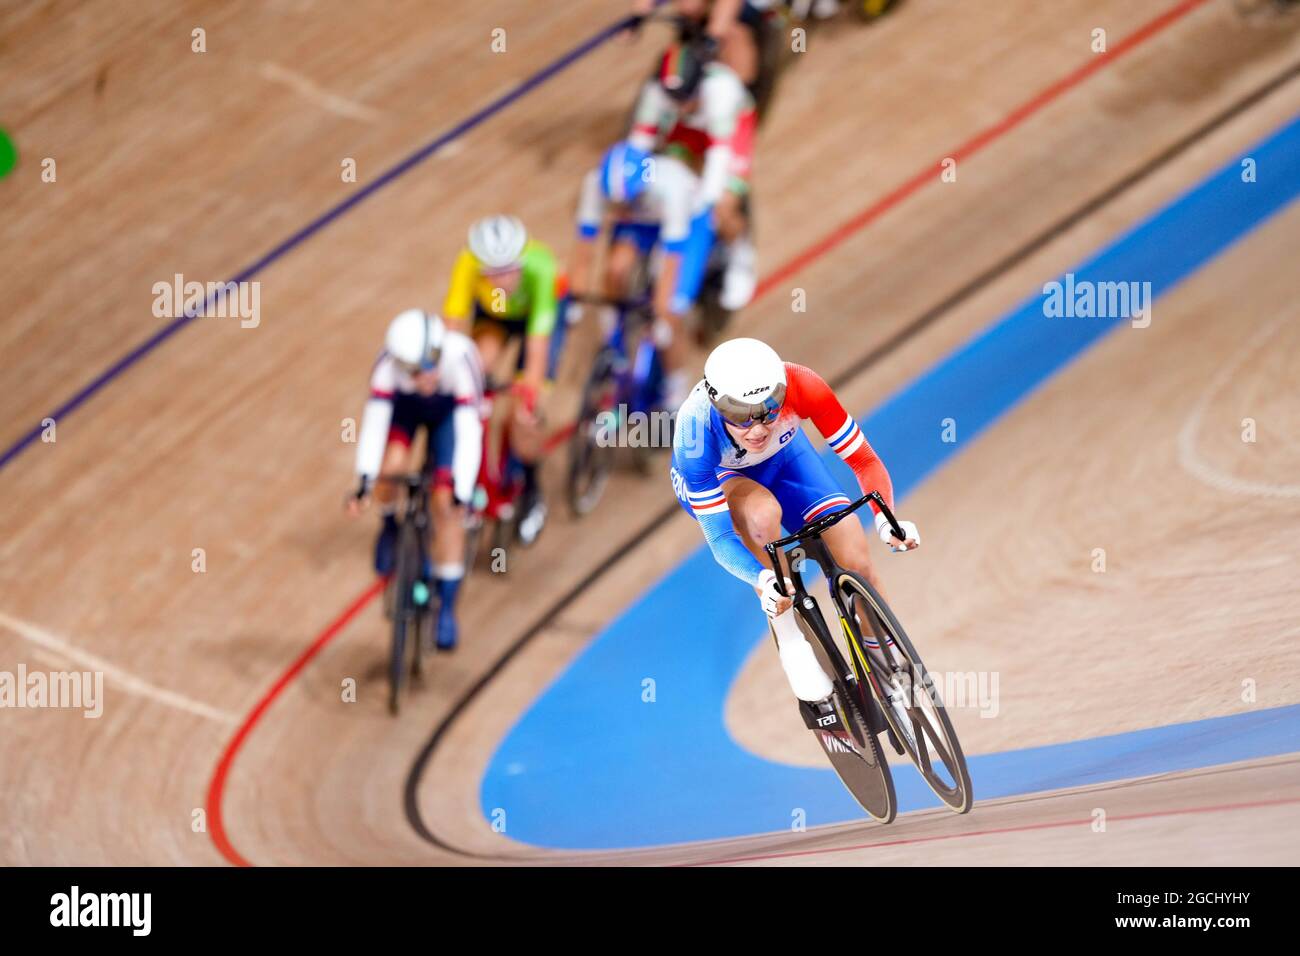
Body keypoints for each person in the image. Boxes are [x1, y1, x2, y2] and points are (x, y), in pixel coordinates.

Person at [669, 337, 920, 721]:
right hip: (724, 478)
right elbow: (720, 539)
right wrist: (762, 579)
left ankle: (885, 666)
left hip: (786, 460)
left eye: (768, 410)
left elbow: (864, 460)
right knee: (764, 522)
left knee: (856, 558)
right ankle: (789, 635)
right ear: (718, 405)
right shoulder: (694, 432)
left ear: (781, 393)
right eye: (740, 415)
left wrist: (887, 520)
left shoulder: (803, 384)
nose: (757, 428)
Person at [348, 309, 483, 651]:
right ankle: (390, 525)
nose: (426, 375)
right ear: (400, 363)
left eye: (432, 363)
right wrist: (365, 482)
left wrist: (462, 493)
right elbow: (376, 426)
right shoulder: (387, 367)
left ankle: (447, 610)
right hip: (406, 410)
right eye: (414, 370)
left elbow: (470, 433)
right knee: (390, 466)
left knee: (445, 507)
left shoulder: (461, 357)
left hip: (451, 415)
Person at [442, 215, 562, 545]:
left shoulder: (541, 268)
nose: (503, 280)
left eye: (510, 270)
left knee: (523, 416)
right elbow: (452, 328)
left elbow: (537, 352)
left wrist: (526, 397)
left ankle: (532, 490)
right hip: (493, 317)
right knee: (473, 368)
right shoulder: (467, 262)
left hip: (535, 321)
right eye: (493, 273)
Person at [570, 141, 712, 410]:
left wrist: (661, 316)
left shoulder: (671, 189)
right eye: (616, 202)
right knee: (615, 269)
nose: (621, 205)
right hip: (640, 222)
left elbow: (671, 261)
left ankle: (675, 385)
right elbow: (584, 251)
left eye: (628, 199)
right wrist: (575, 303)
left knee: (671, 309)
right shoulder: (594, 185)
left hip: (689, 224)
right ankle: (615, 335)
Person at [629, 39, 758, 312]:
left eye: (687, 97)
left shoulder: (720, 91)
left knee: (722, 204)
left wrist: (704, 202)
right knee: (666, 179)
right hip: (687, 132)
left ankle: (740, 255)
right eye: (675, 99)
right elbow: (639, 147)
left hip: (728, 131)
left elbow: (718, 157)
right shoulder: (655, 93)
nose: (681, 104)